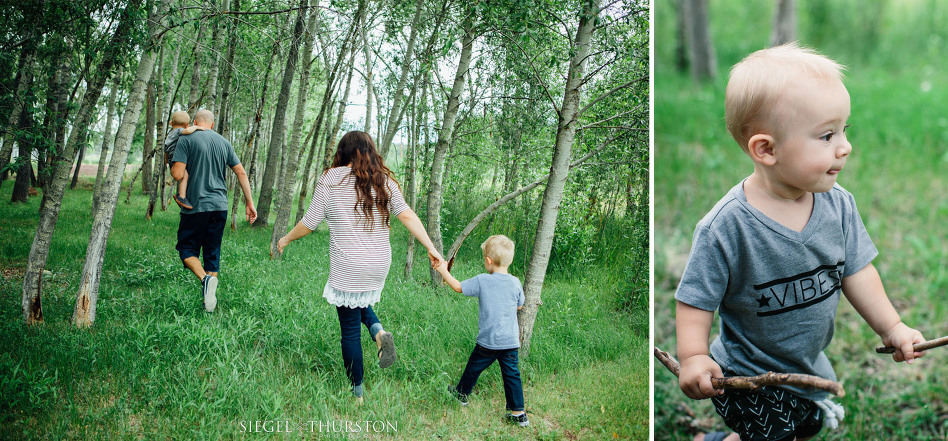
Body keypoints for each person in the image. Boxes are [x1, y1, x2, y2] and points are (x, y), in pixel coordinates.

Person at [674, 43, 927, 441]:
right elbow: (695, 299)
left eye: (845, 130)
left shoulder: (838, 205)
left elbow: (857, 271)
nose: (844, 146)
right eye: (827, 135)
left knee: (804, 426)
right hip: (746, 372)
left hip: (805, 366)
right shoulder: (726, 228)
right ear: (766, 149)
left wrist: (892, 327)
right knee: (777, 434)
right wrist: (693, 357)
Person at [277, 131, 443, 403]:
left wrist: (285, 238)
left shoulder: (331, 178)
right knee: (357, 299)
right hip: (379, 263)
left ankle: (356, 392)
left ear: (343, 152)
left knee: (349, 329)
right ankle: (379, 333)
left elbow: (310, 222)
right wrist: (431, 247)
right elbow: (408, 215)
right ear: (370, 152)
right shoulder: (384, 180)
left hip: (348, 263)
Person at [433, 235, 528, 427]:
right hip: (510, 342)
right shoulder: (516, 282)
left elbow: (458, 287)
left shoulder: (483, 280)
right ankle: (519, 413)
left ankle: (461, 394)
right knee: (512, 375)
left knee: (474, 367)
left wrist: (443, 270)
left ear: (488, 261)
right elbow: (519, 306)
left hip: (488, 341)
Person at [171, 109, 257, 313]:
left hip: (196, 206)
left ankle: (204, 279)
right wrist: (249, 202)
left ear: (194, 122)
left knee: (187, 249)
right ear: (212, 123)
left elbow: (177, 174)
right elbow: (241, 172)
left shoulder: (187, 139)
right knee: (212, 253)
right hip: (220, 205)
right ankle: (209, 303)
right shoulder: (224, 142)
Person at [163, 110, 205, 210]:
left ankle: (180, 195)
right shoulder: (178, 131)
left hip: (171, 159)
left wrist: (166, 161)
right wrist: (196, 127)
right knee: (185, 175)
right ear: (187, 125)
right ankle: (181, 197)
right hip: (175, 158)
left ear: (171, 123)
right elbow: (187, 131)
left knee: (184, 175)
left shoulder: (170, 134)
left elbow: (165, 149)